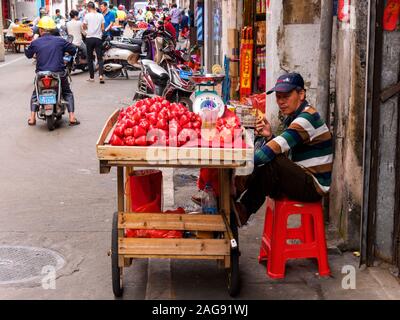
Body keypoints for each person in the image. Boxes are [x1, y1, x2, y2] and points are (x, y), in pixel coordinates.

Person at [231, 73, 333, 227]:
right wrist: (269, 135)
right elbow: (283, 151)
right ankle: (234, 197)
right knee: (269, 164)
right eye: (278, 97)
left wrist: (240, 164)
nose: (281, 102)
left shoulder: (306, 119)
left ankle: (238, 201)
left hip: (314, 186)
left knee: (271, 162)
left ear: (301, 94)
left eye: (286, 96)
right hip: (300, 176)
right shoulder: (294, 117)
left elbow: (273, 151)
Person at [25, 16, 80, 126]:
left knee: (35, 93)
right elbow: (73, 50)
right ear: (51, 30)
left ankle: (32, 118)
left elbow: (28, 55)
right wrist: (66, 52)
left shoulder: (36, 42)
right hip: (58, 73)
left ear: (40, 30)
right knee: (67, 92)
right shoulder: (60, 41)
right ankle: (72, 117)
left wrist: (31, 46)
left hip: (41, 74)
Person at [83, 1, 105, 83]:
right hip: (98, 38)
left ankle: (92, 77)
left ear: (88, 8)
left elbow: (84, 26)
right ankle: (101, 75)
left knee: (90, 58)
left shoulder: (87, 15)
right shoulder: (101, 15)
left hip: (89, 38)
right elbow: (103, 28)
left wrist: (87, 27)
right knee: (100, 58)